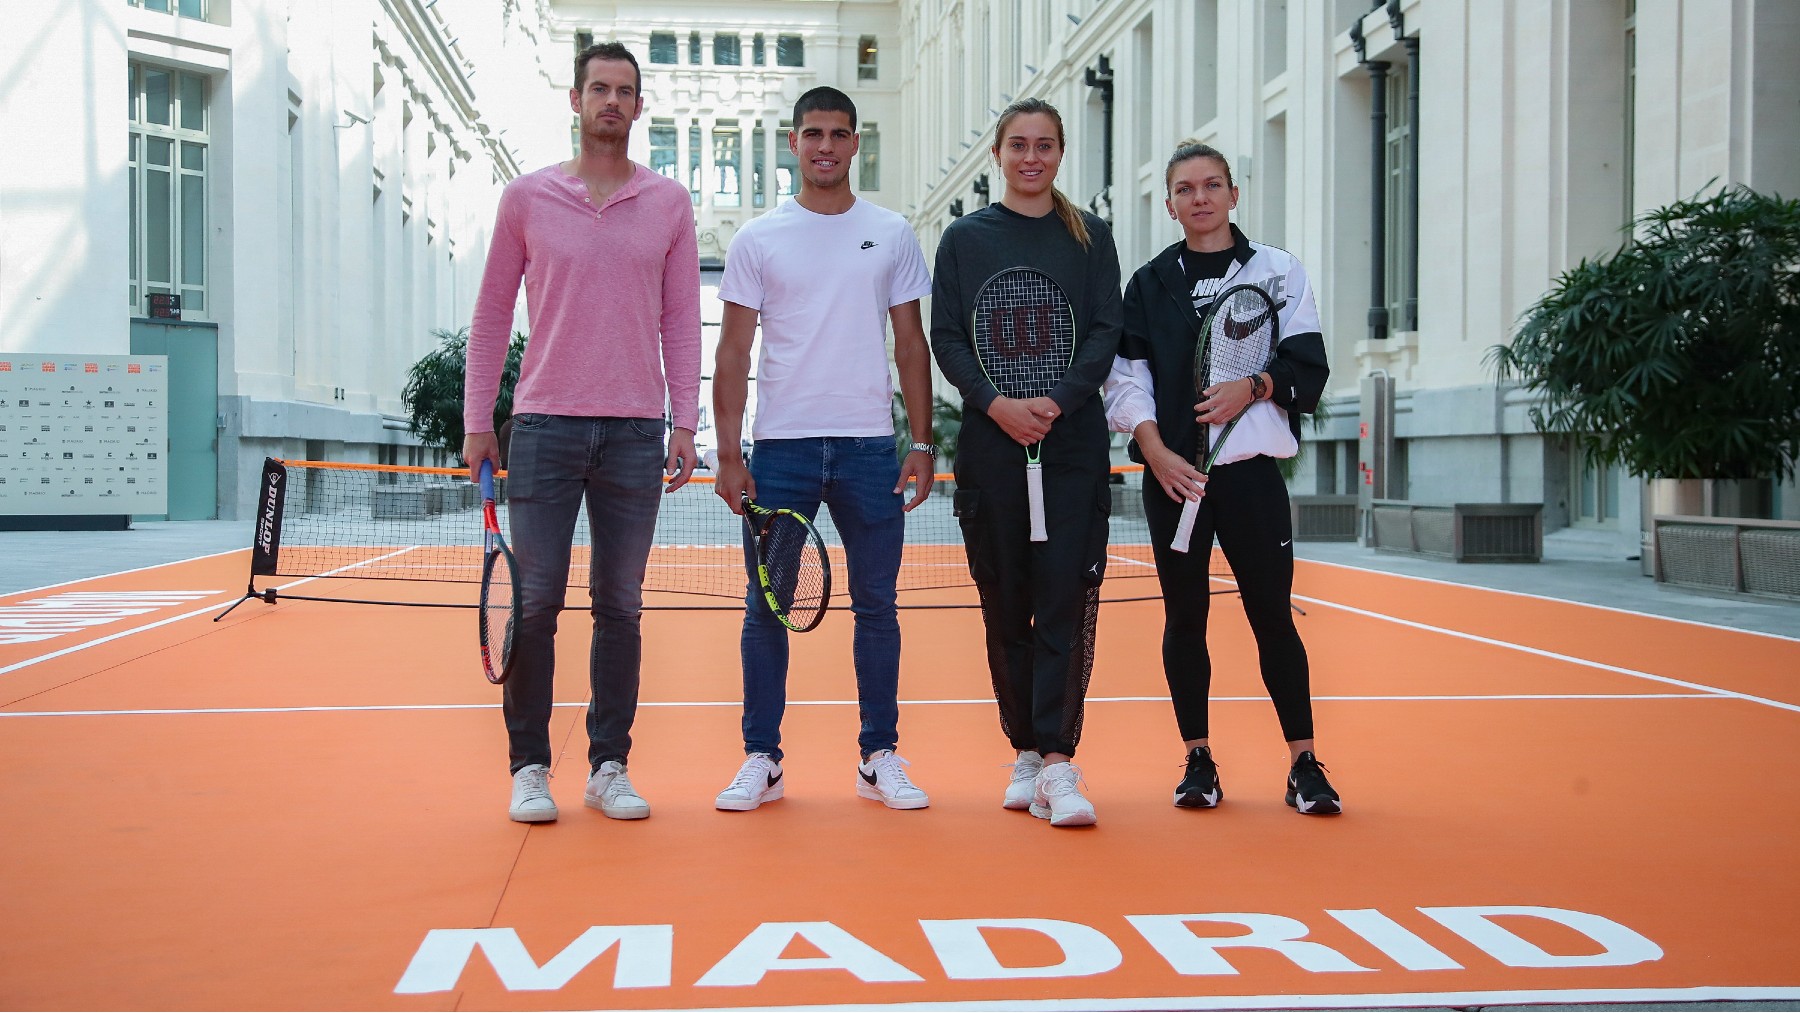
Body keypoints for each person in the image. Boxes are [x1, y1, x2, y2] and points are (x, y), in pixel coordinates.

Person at [463, 42, 701, 824]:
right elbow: (494, 313)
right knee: (535, 603)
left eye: (624, 91)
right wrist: (477, 422)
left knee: (621, 605)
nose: (610, 101)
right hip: (543, 427)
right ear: (575, 100)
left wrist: (685, 422)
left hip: (635, 431)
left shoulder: (668, 204)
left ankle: (609, 765)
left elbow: (679, 320)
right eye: (597, 88)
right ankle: (529, 765)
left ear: (638, 108)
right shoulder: (527, 198)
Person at [710, 87, 938, 812]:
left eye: (840, 134)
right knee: (765, 607)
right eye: (813, 133)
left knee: (878, 605)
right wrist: (728, 453)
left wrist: (922, 440)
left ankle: (879, 755)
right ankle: (762, 758)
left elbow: (910, 343)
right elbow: (734, 349)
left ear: (856, 143)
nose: (826, 146)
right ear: (793, 142)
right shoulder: (757, 239)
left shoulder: (892, 232)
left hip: (871, 449)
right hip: (781, 450)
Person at [1102, 141, 1340, 814]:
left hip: (1251, 480)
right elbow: (1127, 384)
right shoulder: (1149, 284)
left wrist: (1256, 387)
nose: (1199, 197)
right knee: (1186, 618)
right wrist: (1156, 452)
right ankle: (1198, 759)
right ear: (1172, 202)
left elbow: (1309, 368)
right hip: (1176, 481)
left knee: (1273, 619)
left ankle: (1304, 765)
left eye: (1212, 185)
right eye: (1185, 188)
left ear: (1233, 195)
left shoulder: (1277, 271)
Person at [929, 98, 1121, 828]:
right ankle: (1027, 752)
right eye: (1018, 145)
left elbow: (1106, 330)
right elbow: (947, 336)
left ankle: (1061, 758)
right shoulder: (964, 240)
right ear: (998, 155)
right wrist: (995, 402)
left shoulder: (1089, 238)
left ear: (1060, 154)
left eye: (1044, 145)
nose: (1030, 157)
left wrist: (1059, 399)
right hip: (992, 446)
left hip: (1070, 446)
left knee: (1065, 600)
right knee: (1006, 602)